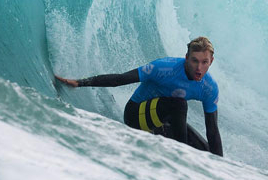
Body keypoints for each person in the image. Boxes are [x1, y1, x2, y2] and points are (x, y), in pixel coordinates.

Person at [55, 36, 223, 157]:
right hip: (135, 116)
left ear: (211, 61)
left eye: (204, 62)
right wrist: (80, 82)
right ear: (186, 58)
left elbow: (213, 131)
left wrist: (221, 170)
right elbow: (120, 79)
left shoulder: (209, 88)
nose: (199, 68)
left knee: (207, 152)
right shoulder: (164, 68)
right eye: (194, 61)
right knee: (179, 105)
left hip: (161, 124)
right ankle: (181, 159)